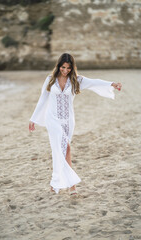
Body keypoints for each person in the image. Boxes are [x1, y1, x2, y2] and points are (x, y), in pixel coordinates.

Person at [29, 53, 122, 195]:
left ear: (72, 68)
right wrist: (34, 118)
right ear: (58, 66)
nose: (65, 70)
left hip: (68, 120)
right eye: (63, 67)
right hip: (52, 119)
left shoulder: (76, 80)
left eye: (68, 68)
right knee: (63, 148)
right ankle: (71, 185)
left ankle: (55, 183)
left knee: (63, 150)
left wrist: (112, 84)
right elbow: (43, 98)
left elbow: (94, 82)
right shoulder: (50, 79)